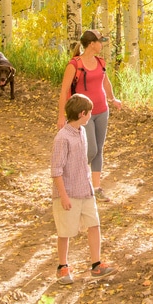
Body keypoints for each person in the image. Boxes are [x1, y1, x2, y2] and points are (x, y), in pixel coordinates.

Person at [51, 94, 117, 284]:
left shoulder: (82, 132)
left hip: (85, 190)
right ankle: (62, 267)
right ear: (82, 113)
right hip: (68, 192)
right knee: (65, 231)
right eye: (89, 112)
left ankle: (96, 264)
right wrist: (63, 196)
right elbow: (56, 170)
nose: (90, 115)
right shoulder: (62, 138)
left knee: (94, 224)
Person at [58, 30, 122, 201]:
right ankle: (71, 179)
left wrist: (113, 99)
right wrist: (61, 116)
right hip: (83, 114)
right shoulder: (74, 64)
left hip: (102, 110)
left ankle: (96, 188)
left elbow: (105, 82)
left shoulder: (100, 62)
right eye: (100, 41)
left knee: (98, 149)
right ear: (92, 44)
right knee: (91, 149)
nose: (102, 45)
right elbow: (64, 90)